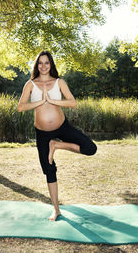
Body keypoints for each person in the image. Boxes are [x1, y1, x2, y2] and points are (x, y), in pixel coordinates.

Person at [17, 50, 97, 221]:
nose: (44, 66)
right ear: (36, 65)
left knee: (91, 148)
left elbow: (72, 103)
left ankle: (57, 145)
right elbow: (21, 107)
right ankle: (56, 209)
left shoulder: (59, 82)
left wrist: (53, 101)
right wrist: (39, 102)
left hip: (62, 128)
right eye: (40, 63)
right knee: (49, 169)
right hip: (42, 133)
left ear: (51, 64)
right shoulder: (30, 84)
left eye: (47, 63)